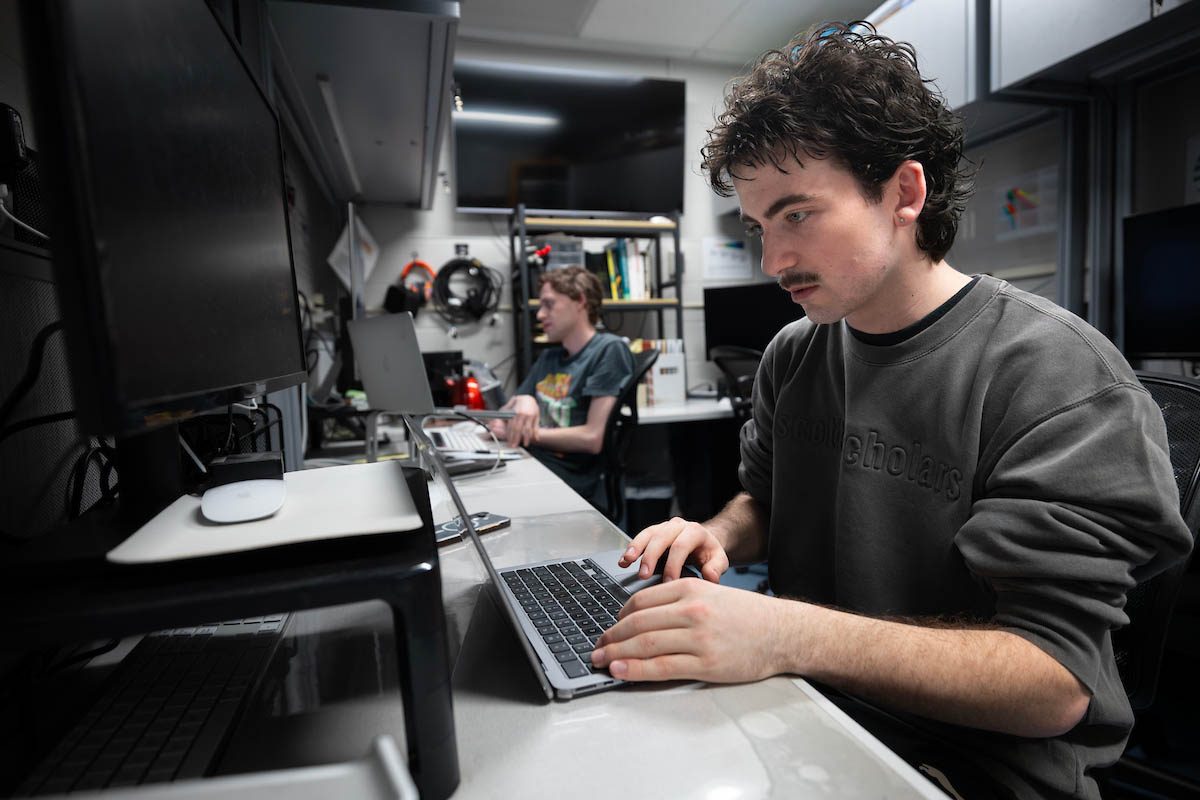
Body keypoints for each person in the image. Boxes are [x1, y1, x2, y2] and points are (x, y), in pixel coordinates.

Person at [588, 21, 1193, 800]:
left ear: (905, 193)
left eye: (797, 214)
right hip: (802, 705)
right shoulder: (795, 354)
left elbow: (1055, 681)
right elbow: (765, 499)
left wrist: (780, 633)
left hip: (970, 768)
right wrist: (716, 534)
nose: (773, 261)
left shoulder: (1053, 375)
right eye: (759, 226)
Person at [492, 265, 634, 509]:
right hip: (533, 462)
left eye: (549, 304)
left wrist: (527, 434)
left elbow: (592, 438)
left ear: (580, 301)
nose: (539, 315)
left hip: (567, 479)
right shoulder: (549, 358)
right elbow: (503, 417)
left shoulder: (609, 350)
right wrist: (523, 400)